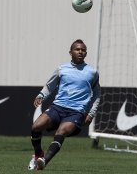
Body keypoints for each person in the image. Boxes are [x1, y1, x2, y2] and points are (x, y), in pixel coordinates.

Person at [28, 39, 101, 170]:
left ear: (86, 53)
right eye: (77, 49)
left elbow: (97, 95)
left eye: (83, 50)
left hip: (76, 111)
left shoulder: (92, 73)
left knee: (61, 132)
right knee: (36, 126)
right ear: (70, 52)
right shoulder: (62, 69)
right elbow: (50, 86)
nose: (80, 52)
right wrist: (41, 95)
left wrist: (91, 113)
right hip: (58, 107)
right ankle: (38, 154)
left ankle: (44, 161)